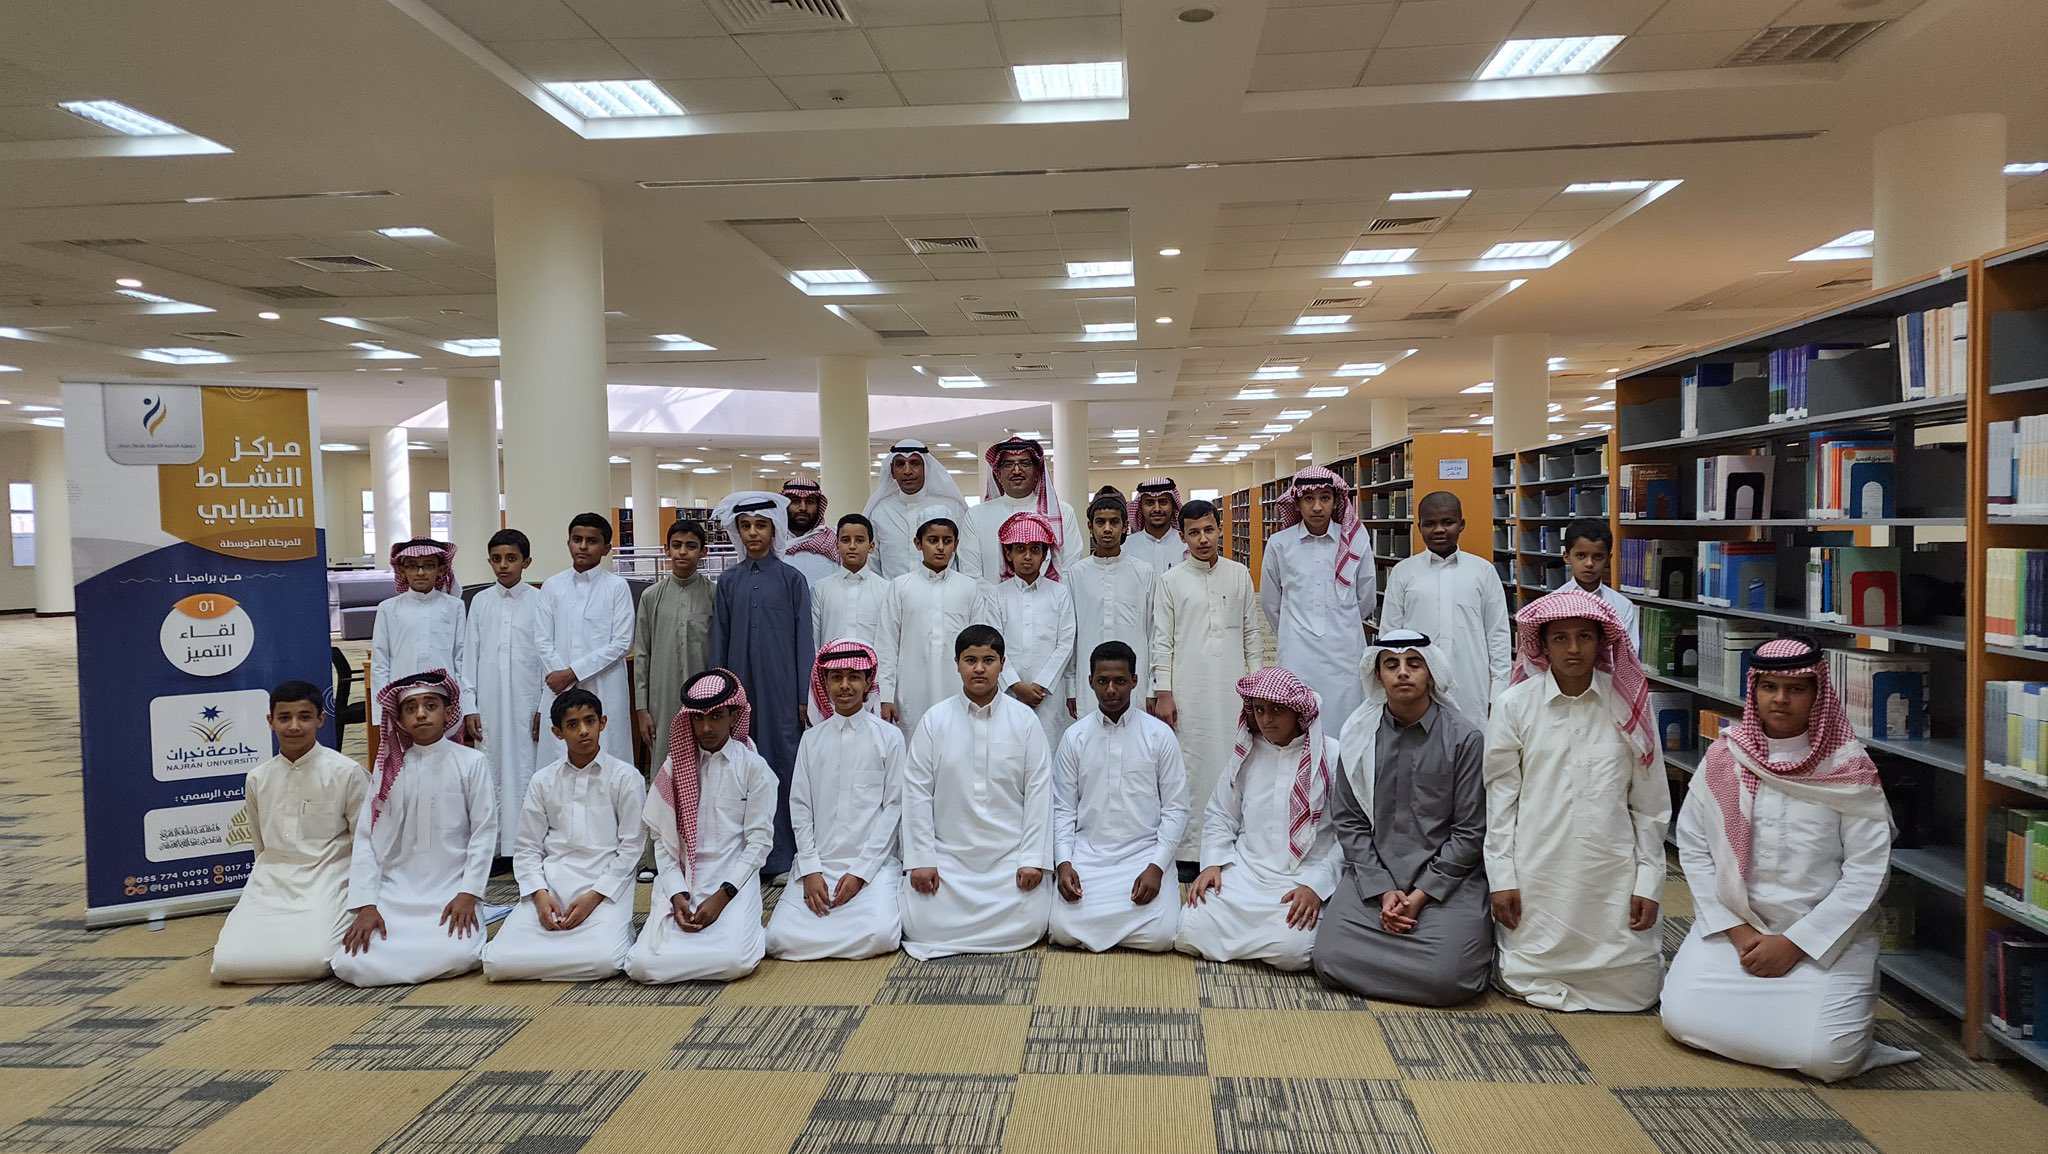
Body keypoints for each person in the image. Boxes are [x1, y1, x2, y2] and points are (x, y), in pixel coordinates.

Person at [1662, 637, 1920, 1081]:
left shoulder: (1848, 768)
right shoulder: (1725, 757)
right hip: (1737, 928)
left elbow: (1868, 873)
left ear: (1817, 694)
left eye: (1795, 689)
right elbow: (1694, 846)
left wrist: (1795, 944)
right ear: (1754, 691)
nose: (1780, 699)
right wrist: (1739, 932)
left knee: (1829, 1058)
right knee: (1681, 1019)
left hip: (1825, 936)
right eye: (1769, 687)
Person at [1484, 590, 1669, 1012]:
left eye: (1584, 637)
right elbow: (1500, 802)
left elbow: (1651, 806)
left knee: (1640, 987)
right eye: (1560, 638)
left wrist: (1649, 882)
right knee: (1520, 974)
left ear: (1601, 642)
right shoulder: (1514, 705)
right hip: (1538, 872)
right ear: (1543, 645)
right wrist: (1502, 878)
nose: (1573, 648)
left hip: (1612, 873)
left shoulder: (1628, 705)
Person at [1311, 631, 1491, 1006]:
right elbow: (1349, 821)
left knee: (1450, 976)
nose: (1403, 672)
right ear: (1378, 675)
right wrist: (1382, 889)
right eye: (1391, 664)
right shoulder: (1359, 736)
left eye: (1414, 663)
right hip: (1374, 876)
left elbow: (1470, 832)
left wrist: (1421, 895)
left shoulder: (1465, 739)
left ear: (1431, 673)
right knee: (1329, 958)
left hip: (1446, 883)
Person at [332, 670, 498, 987]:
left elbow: (484, 833)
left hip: (450, 890)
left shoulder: (471, 763)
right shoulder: (389, 769)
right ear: (401, 718)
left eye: (430, 705)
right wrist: (367, 904)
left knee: (460, 955)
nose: (421, 714)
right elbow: (366, 838)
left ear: (449, 712)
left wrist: (469, 894)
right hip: (396, 892)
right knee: (352, 964)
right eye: (411, 708)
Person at [900, 624, 1055, 960]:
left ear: (1002, 664)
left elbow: (1040, 794)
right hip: (949, 859)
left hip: (1009, 859)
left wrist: (1032, 860)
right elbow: (916, 794)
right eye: (971, 660)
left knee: (1032, 920)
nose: (980, 669)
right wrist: (922, 860)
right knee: (919, 922)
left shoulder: (1025, 721)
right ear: (957, 664)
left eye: (988, 660)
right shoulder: (934, 721)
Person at [1174, 668, 1341, 973]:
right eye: (1260, 710)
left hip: (1300, 880)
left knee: (1295, 951)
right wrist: (1212, 864)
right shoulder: (1247, 752)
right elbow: (1221, 814)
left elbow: (1349, 836)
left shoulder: (1331, 756)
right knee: (1189, 928)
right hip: (1246, 874)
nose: (1266, 719)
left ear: (1298, 712)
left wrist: (1316, 886)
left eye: (1277, 710)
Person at [482, 689, 645, 982]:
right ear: (557, 732)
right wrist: (539, 895)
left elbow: (631, 848)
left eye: (590, 721)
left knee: (605, 961)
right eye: (572, 724)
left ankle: (617, 931)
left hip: (605, 887)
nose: (583, 731)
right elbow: (527, 847)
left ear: (603, 723)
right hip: (551, 886)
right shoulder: (543, 780)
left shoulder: (626, 777)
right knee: (496, 963)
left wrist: (594, 896)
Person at [625, 669, 776, 984]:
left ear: (734, 716)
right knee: (641, 966)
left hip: (733, 879)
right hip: (683, 878)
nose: (706, 727)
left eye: (716, 716)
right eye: (698, 718)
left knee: (733, 962)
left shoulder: (753, 768)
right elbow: (663, 842)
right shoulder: (675, 766)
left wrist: (723, 896)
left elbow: (759, 844)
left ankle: (746, 926)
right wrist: (676, 892)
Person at [211, 681, 368, 983]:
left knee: (313, 962)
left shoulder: (346, 772)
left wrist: (365, 902)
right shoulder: (258, 778)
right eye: (284, 718)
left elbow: (366, 843)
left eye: (304, 717)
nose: (294, 726)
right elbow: (260, 845)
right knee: (227, 964)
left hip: (328, 876)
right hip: (270, 880)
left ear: (321, 719)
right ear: (270, 721)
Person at [765, 640, 905, 960]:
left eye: (853, 677)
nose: (844, 686)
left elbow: (894, 809)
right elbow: (800, 807)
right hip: (820, 865)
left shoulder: (889, 737)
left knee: (880, 936)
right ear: (824, 682)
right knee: (776, 939)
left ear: (868, 683)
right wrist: (811, 870)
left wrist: (860, 873)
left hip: (872, 866)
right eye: (836, 677)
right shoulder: (811, 739)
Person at [1050, 641, 1189, 953]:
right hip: (1089, 856)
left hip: (1144, 855)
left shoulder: (1159, 735)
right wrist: (1065, 862)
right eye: (1102, 681)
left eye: (1120, 681)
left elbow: (1176, 809)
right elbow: (1063, 809)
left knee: (1161, 936)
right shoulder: (1074, 737)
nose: (1111, 690)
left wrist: (1157, 866)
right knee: (1061, 930)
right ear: (1090, 682)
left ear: (1135, 681)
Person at [1150, 499, 1263, 874]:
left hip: (1234, 689)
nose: (1203, 539)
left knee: (1236, 762)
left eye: (1209, 530)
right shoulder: (1170, 582)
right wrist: (1164, 692)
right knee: (1193, 768)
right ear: (1182, 537)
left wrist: (1257, 687)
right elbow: (1162, 641)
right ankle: (1192, 849)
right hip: (1189, 691)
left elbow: (1252, 635)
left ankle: (1235, 843)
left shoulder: (1239, 574)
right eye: (1194, 533)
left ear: (1220, 530)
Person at [710, 491, 814, 882]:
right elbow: (719, 640)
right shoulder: (728, 581)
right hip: (738, 692)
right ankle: (742, 857)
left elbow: (804, 640)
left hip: (782, 693)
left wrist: (803, 696)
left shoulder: (792, 580)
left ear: (774, 530)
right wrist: (718, 696)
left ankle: (784, 856)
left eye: (761, 526)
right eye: (746, 526)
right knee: (740, 766)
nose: (753, 533)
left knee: (783, 764)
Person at [1380, 491, 1511, 727]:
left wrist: (1499, 692)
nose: (1439, 530)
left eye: (1447, 522)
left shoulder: (1483, 571)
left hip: (1472, 685)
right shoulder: (1403, 572)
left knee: (1473, 743)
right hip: (1417, 685)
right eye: (1430, 524)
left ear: (1462, 525)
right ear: (1419, 527)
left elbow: (1498, 634)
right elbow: (1390, 636)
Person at [1260, 466, 1375, 729]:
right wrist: (1292, 633)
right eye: (1308, 499)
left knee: (1346, 722)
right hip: (1297, 652)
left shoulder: (1355, 541)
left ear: (1336, 501)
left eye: (1325, 498)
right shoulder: (1279, 543)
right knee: (1298, 721)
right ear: (1297, 503)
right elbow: (1270, 603)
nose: (1317, 507)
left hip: (1345, 650)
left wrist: (1341, 623)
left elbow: (1366, 597)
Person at [461, 529, 545, 854]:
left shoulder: (540, 601)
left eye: (511, 558)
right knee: (490, 767)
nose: (503, 565)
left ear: (527, 561)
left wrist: (544, 705)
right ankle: (494, 846)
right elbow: (469, 657)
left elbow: (546, 657)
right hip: (489, 703)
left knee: (527, 767)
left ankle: (525, 845)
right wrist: (469, 705)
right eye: (496, 559)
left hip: (527, 701)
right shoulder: (480, 602)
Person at [536, 513, 635, 765]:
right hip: (558, 686)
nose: (583, 546)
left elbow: (621, 643)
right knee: (559, 757)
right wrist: (562, 677)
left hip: (604, 685)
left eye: (591, 541)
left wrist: (571, 673)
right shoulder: (552, 586)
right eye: (577, 539)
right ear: (568, 542)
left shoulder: (617, 587)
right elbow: (542, 640)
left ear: (606, 548)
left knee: (608, 755)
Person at [981, 511, 1077, 751]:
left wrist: (1041, 685)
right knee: (1008, 751)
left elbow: (1066, 643)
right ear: (1009, 554)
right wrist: (1016, 685)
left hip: (1048, 695)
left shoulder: (1059, 593)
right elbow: (993, 645)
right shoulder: (996, 594)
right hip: (1007, 691)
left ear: (1044, 555)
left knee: (1047, 751)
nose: (1027, 556)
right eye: (1020, 549)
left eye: (1035, 549)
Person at [878, 517, 982, 735]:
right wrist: (886, 696)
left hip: (957, 687)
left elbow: (979, 645)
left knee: (957, 741)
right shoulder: (900, 586)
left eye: (947, 541)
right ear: (918, 543)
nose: (940, 547)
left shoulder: (969, 588)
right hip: (911, 690)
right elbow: (886, 643)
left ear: (956, 545)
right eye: (933, 540)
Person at [1067, 490, 1155, 720]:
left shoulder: (1143, 572)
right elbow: (1070, 635)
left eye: (1114, 522)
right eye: (1100, 522)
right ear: (1090, 526)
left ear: (1125, 526)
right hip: (1088, 679)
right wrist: (1070, 687)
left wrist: (1153, 687)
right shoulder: (1076, 574)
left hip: (1136, 680)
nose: (1107, 529)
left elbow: (1153, 631)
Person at [633, 518, 715, 755]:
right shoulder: (651, 597)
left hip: (705, 697)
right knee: (664, 759)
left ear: (704, 552)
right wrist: (642, 709)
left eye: (691, 546)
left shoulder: (715, 594)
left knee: (706, 760)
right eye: (676, 545)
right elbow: (642, 655)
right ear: (666, 549)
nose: (682, 552)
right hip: (661, 699)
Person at [370, 537, 464, 724]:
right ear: (402, 570)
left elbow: (460, 658)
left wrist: (463, 704)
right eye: (413, 566)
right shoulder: (388, 608)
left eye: (428, 566)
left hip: (443, 698)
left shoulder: (455, 606)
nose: (420, 572)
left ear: (440, 570)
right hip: (403, 698)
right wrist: (381, 712)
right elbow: (380, 662)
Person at [961, 437, 1082, 583]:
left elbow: (1070, 570)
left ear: (1036, 471)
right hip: (989, 598)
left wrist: (1050, 596)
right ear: (998, 472)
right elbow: (971, 575)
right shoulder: (976, 516)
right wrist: (997, 597)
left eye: (1025, 463)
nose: (1017, 471)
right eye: (1008, 465)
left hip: (1053, 598)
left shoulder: (1063, 512)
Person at [808, 513, 889, 722]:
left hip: (872, 684)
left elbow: (889, 645)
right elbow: (814, 642)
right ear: (836, 545)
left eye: (859, 540)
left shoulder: (887, 590)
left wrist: (887, 693)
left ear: (872, 546)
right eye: (845, 540)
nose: (852, 546)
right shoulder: (821, 589)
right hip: (831, 683)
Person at [864, 439, 968, 580]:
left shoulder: (953, 508)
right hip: (892, 593)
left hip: (944, 592)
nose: (907, 471)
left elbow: (964, 562)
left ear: (926, 468)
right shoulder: (879, 511)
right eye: (900, 464)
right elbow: (872, 564)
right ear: (892, 471)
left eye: (914, 463)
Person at [1558, 518, 1639, 653]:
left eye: (1598, 557)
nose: (1589, 563)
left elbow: (1629, 654)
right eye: (1581, 555)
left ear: (1608, 560)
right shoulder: (1552, 603)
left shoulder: (1622, 606)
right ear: (1566, 557)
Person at [779, 475, 843, 584]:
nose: (803, 508)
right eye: (795, 501)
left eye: (810, 502)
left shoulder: (834, 541)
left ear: (819, 506)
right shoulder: (772, 541)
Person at [1123, 477, 1187, 575]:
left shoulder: (1187, 545)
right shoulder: (1126, 546)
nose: (1157, 509)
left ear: (1173, 505)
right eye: (1149, 503)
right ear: (1140, 507)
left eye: (1163, 502)